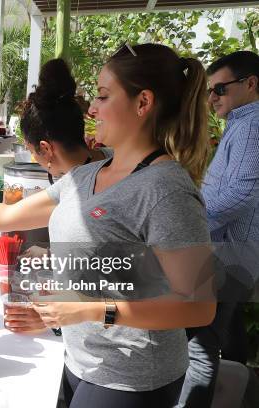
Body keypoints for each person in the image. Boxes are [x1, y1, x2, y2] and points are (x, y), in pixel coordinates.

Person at [0, 46, 216, 407]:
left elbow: (199, 307)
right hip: (80, 360)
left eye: (104, 96)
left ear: (143, 103)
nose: (91, 109)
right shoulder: (89, 174)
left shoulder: (165, 190)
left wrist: (88, 309)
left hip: (131, 378)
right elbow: (5, 217)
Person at [178, 50, 259, 408]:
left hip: (227, 252)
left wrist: (192, 220)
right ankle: (237, 390)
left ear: (251, 84)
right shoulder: (242, 123)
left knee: (200, 344)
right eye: (211, 91)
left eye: (220, 89)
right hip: (235, 251)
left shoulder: (252, 125)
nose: (212, 98)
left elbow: (241, 194)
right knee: (221, 331)